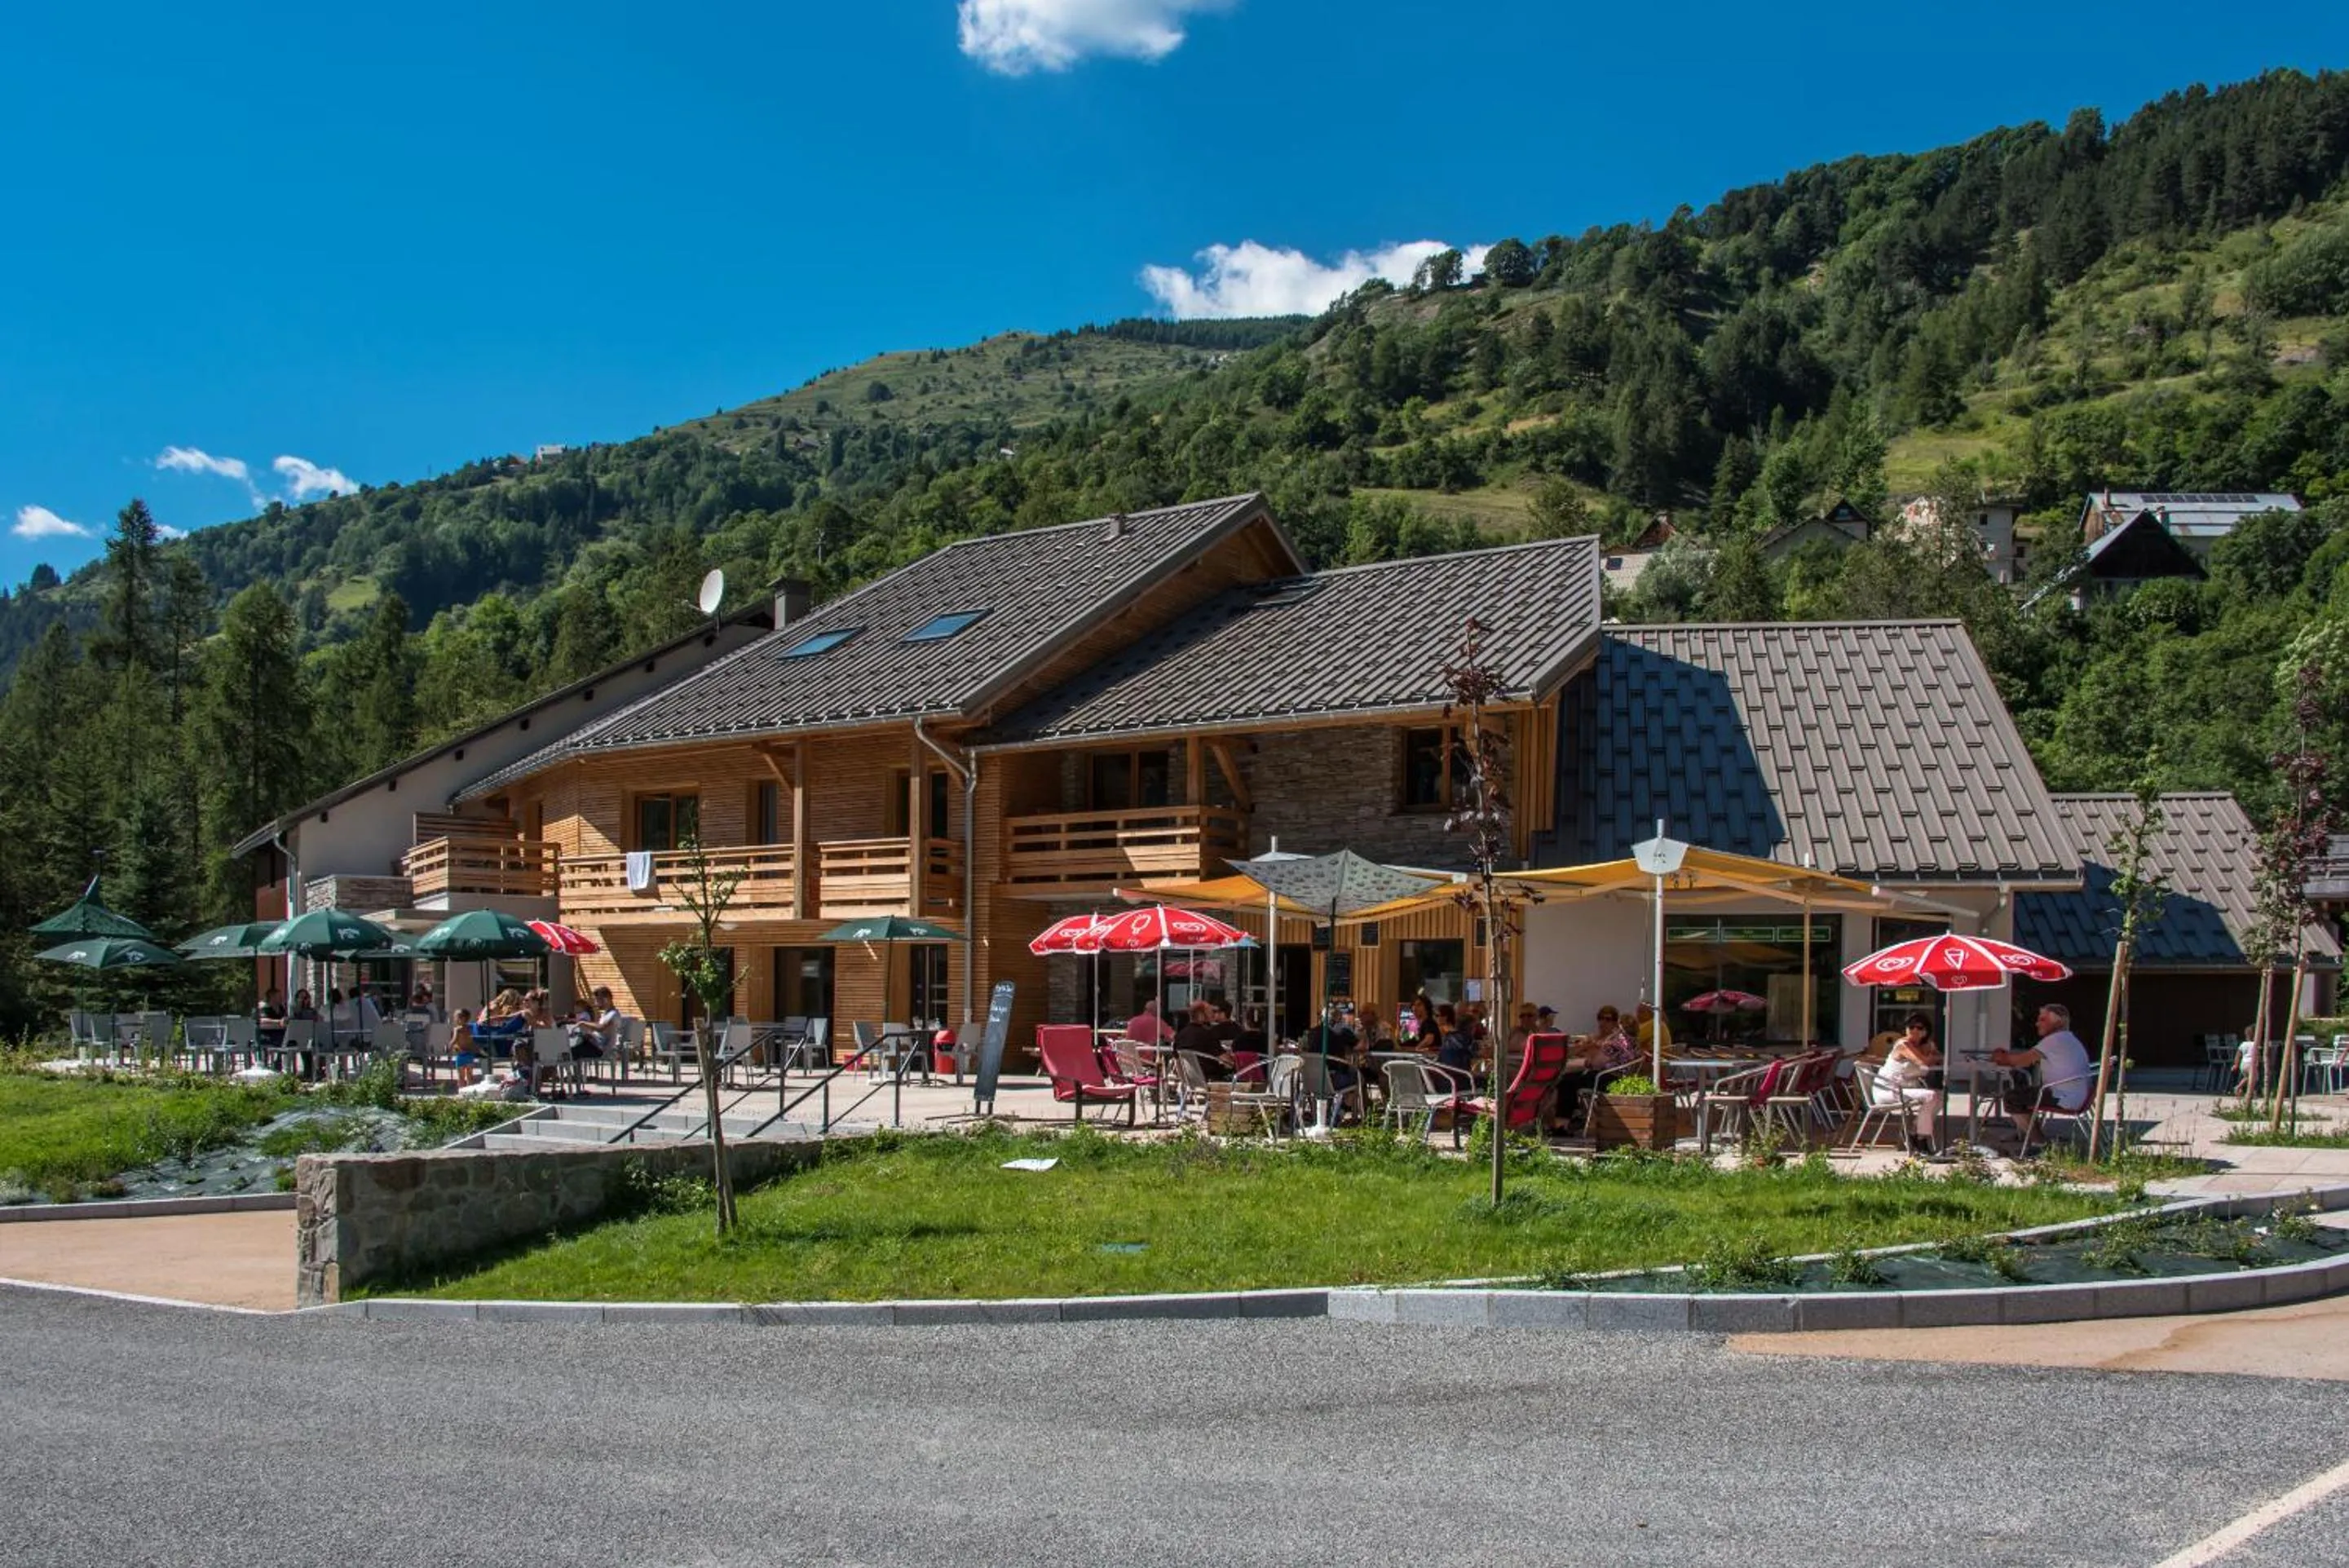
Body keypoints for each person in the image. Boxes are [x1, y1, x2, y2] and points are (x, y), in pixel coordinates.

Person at [1993, 1003, 2095, 1140]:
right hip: (2077, 1096)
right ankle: (2024, 1134)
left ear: (2059, 1021)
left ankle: (2038, 1141)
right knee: (2026, 1093)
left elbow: (2022, 1061)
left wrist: (2001, 1057)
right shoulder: (2069, 1038)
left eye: (2043, 1019)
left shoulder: (2054, 1040)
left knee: (2012, 1098)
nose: (2037, 1024)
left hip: (2064, 1098)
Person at [1871, 1011, 1945, 1156]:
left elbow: (1941, 1057)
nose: (1915, 1031)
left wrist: (1932, 1054)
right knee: (1931, 1096)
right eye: (1911, 1027)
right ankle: (1920, 1139)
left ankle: (1914, 1133)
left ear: (1926, 1031)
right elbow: (1922, 1062)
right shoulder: (1903, 1044)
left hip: (1905, 1090)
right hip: (1888, 1090)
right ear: (1905, 1029)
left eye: (1919, 1028)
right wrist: (1931, 1056)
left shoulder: (1927, 1045)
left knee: (1941, 1097)